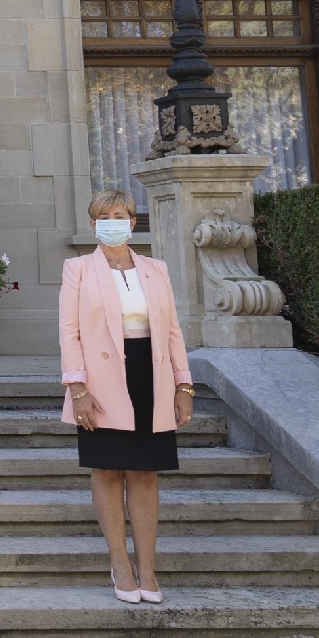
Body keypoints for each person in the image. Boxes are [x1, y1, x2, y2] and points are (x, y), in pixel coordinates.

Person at [61, 188, 195, 605]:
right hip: (101, 381)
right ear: (93, 224)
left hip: (151, 374)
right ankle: (119, 562)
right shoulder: (78, 268)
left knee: (145, 472)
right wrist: (77, 388)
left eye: (120, 215)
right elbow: (69, 331)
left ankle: (148, 568)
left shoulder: (156, 268)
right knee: (106, 470)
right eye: (104, 217)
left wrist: (184, 385)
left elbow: (172, 330)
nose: (113, 223)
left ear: (133, 222)